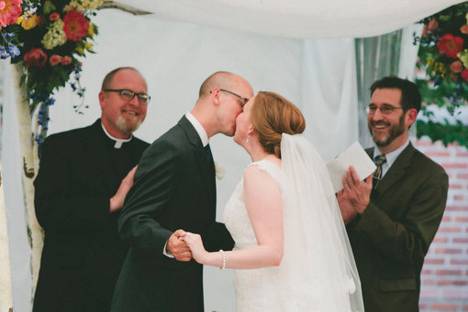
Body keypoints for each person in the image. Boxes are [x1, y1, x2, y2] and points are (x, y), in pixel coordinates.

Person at [182, 91, 364, 312]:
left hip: (270, 299)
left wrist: (207, 257)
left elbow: (272, 252)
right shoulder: (288, 173)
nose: (237, 114)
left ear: (251, 127)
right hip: (277, 292)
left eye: (244, 110)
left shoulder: (259, 173)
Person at [110, 71, 254, 312]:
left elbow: (200, 227)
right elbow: (132, 219)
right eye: (243, 103)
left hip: (179, 294)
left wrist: (254, 236)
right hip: (149, 298)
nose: (244, 115)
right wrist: (167, 241)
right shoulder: (172, 146)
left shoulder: (200, 148)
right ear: (216, 95)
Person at [33, 67, 150, 312]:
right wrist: (111, 203)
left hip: (124, 294)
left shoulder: (151, 157)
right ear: (102, 98)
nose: (135, 103)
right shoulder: (63, 147)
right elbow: (49, 212)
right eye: (126, 93)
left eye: (142, 97)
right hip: (67, 292)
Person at [337, 76, 449, 312]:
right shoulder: (348, 161)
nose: (376, 116)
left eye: (386, 109)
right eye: (373, 108)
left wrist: (366, 209)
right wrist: (339, 218)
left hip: (389, 304)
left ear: (410, 116)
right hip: (340, 298)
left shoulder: (431, 176)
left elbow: (412, 250)